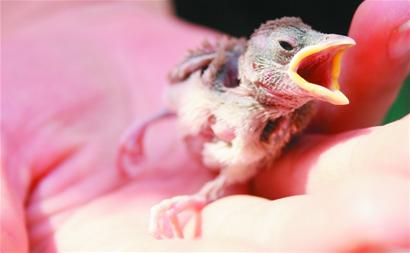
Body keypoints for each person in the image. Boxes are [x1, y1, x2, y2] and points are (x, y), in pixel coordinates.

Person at [1, 1, 409, 252]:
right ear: (254, 63)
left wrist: (194, 199)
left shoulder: (288, 117)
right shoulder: (213, 69)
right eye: (287, 50)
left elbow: (239, 164)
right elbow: (176, 92)